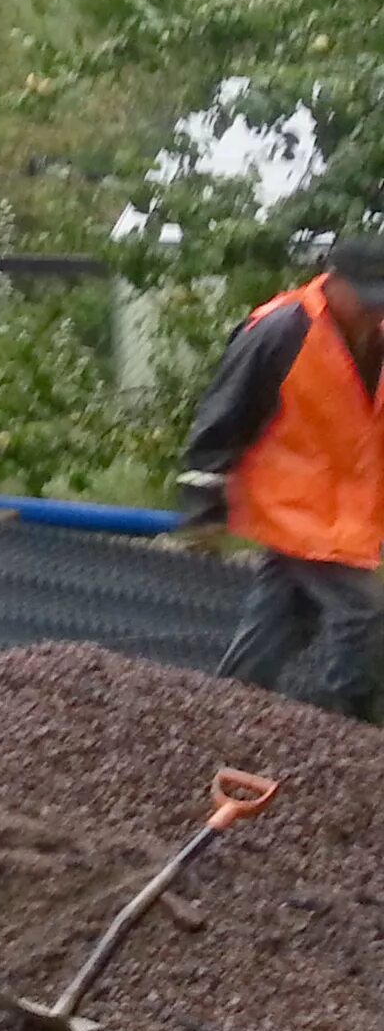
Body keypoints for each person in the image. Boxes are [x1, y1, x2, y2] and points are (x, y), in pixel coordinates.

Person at [177, 235, 384, 717]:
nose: (375, 312)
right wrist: (204, 509)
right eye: (369, 300)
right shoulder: (280, 330)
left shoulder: (378, 334)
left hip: (345, 515)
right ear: (335, 283)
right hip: (291, 508)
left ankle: (223, 712)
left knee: (282, 620)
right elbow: (222, 419)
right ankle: (351, 730)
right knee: (366, 613)